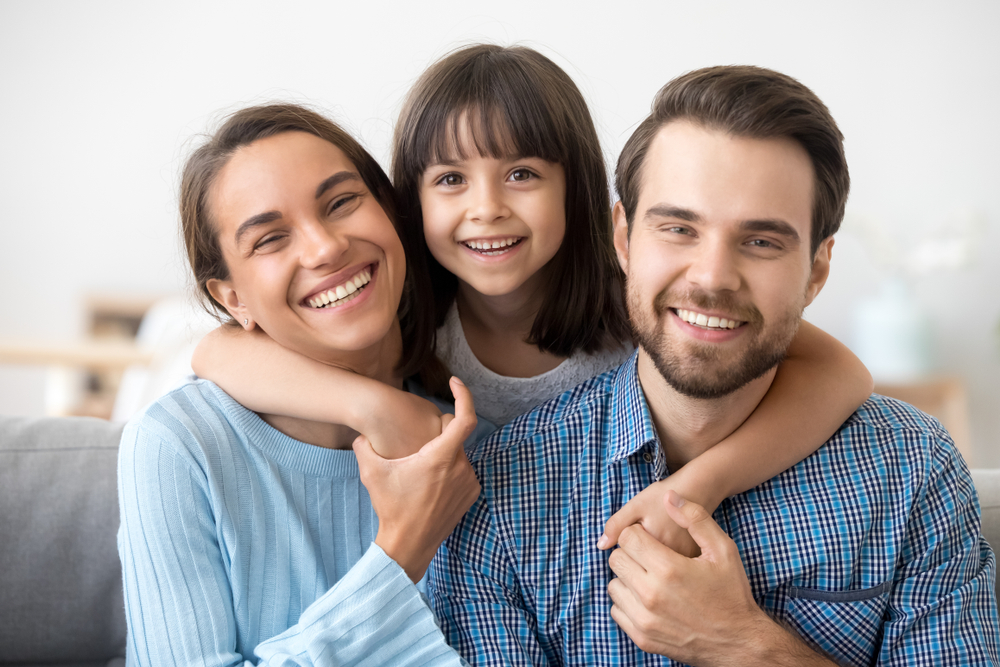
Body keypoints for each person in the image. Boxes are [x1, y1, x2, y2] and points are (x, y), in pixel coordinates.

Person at [192, 45, 873, 556]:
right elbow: (216, 348)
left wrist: (701, 485)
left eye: (522, 174)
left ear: (577, 189)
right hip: (499, 570)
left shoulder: (638, 299)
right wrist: (374, 403)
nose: (486, 209)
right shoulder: (416, 322)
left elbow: (841, 373)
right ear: (411, 199)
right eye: (452, 179)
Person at [427, 65, 1000, 665]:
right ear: (623, 238)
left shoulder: (912, 473)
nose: (711, 278)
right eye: (678, 228)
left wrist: (745, 645)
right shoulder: (499, 494)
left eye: (761, 241)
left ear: (818, 270)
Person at [117, 104, 487, 665]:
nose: (325, 248)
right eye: (269, 239)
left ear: (390, 215)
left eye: (341, 203)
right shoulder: (178, 446)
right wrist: (402, 550)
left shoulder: (470, 437)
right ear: (232, 298)